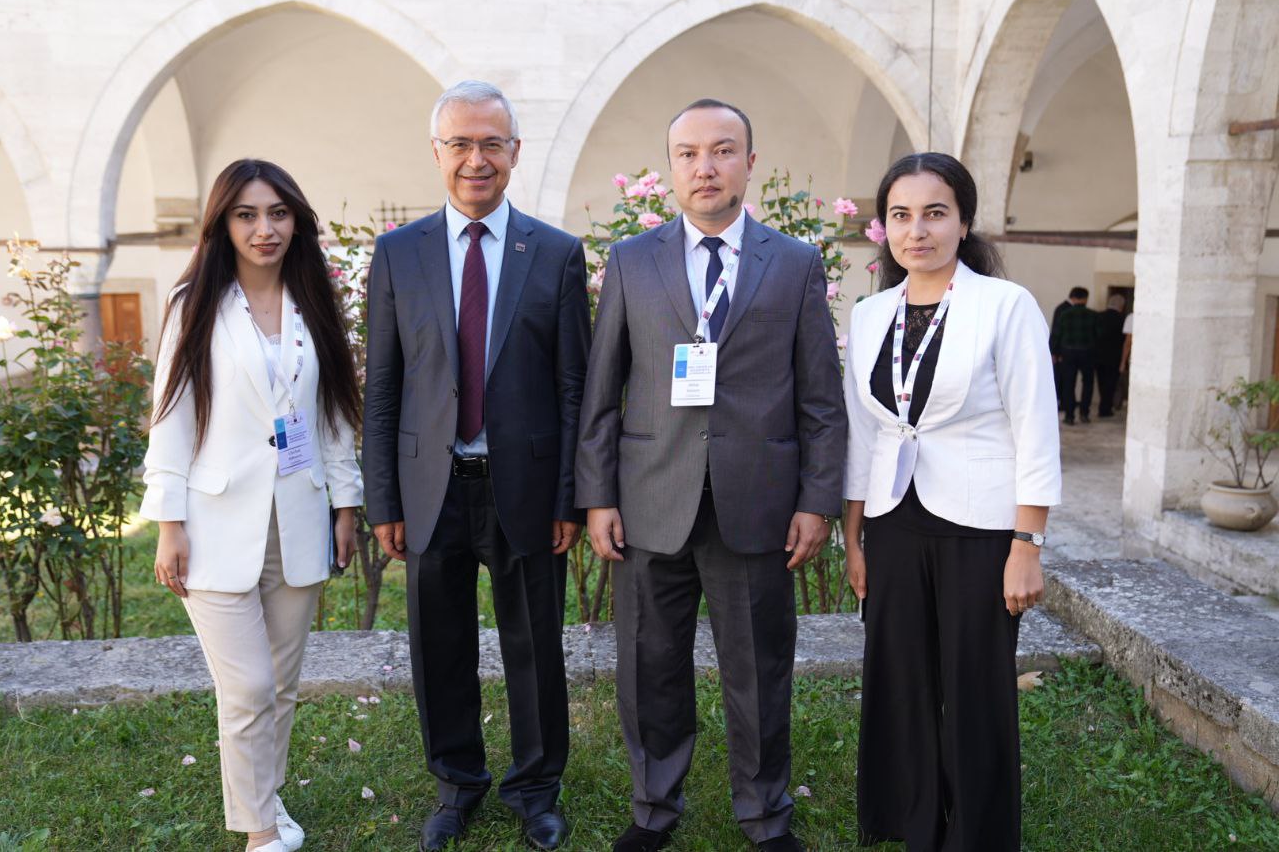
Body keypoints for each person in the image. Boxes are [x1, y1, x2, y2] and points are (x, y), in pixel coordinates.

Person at [576, 99, 847, 852]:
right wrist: (597, 496)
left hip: (757, 505)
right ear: (671, 168)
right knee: (649, 665)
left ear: (749, 163)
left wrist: (817, 500)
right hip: (649, 499)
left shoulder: (794, 263)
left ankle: (764, 815)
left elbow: (820, 398)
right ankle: (653, 809)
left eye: (723, 151)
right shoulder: (632, 261)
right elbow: (602, 391)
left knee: (758, 670)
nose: (706, 167)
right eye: (689, 154)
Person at [361, 80, 589, 852]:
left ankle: (536, 788)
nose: (476, 159)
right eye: (460, 143)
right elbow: (383, 387)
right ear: (437, 152)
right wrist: (384, 499)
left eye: (492, 143)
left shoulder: (555, 254)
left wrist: (569, 497)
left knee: (535, 647)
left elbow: (572, 388)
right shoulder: (398, 254)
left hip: (526, 488)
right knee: (441, 647)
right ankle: (456, 785)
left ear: (515, 152)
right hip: (431, 489)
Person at [143, 159, 364, 852]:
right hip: (214, 523)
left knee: (281, 685)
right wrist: (169, 523)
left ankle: (265, 797)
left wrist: (346, 504)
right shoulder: (194, 304)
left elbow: (333, 414)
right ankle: (260, 833)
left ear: (296, 221)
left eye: (277, 213)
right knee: (247, 687)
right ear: (223, 224)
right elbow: (171, 417)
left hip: (299, 518)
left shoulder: (313, 301)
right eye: (246, 214)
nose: (264, 228)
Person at [843, 152, 1061, 851]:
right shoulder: (870, 313)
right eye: (901, 215)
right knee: (899, 678)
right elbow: (863, 434)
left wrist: (1027, 546)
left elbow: (1035, 428)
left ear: (963, 222)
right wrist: (853, 538)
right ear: (884, 228)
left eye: (935, 213)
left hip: (981, 527)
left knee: (974, 688)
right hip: (893, 522)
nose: (918, 230)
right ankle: (912, 819)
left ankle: (976, 835)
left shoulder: (1005, 306)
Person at [1050, 286, 1098, 424]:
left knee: (1068, 383)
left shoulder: (1064, 314)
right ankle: (1084, 414)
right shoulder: (1093, 315)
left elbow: (1056, 334)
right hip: (1087, 353)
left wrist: (1054, 352)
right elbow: (1098, 335)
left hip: (1068, 353)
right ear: (1085, 299)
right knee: (1088, 383)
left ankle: (1069, 416)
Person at [1095, 294, 1126, 417]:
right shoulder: (1122, 319)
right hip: (1114, 357)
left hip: (1098, 355)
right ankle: (1105, 408)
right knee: (1111, 383)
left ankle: (1103, 406)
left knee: (1101, 382)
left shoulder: (1098, 316)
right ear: (1121, 306)